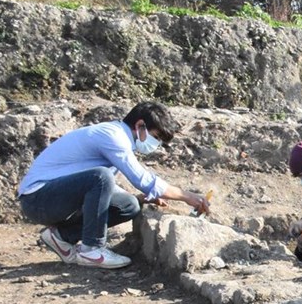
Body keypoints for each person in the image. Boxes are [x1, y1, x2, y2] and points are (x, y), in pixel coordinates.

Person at [17, 101, 210, 269]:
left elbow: (101, 187)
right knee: (100, 176)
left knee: (129, 205)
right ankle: (92, 250)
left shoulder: (117, 138)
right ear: (140, 125)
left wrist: (140, 198)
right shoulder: (112, 135)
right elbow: (141, 179)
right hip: (37, 199)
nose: (156, 144)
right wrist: (187, 196)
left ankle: (61, 237)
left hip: (54, 197)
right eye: (156, 137)